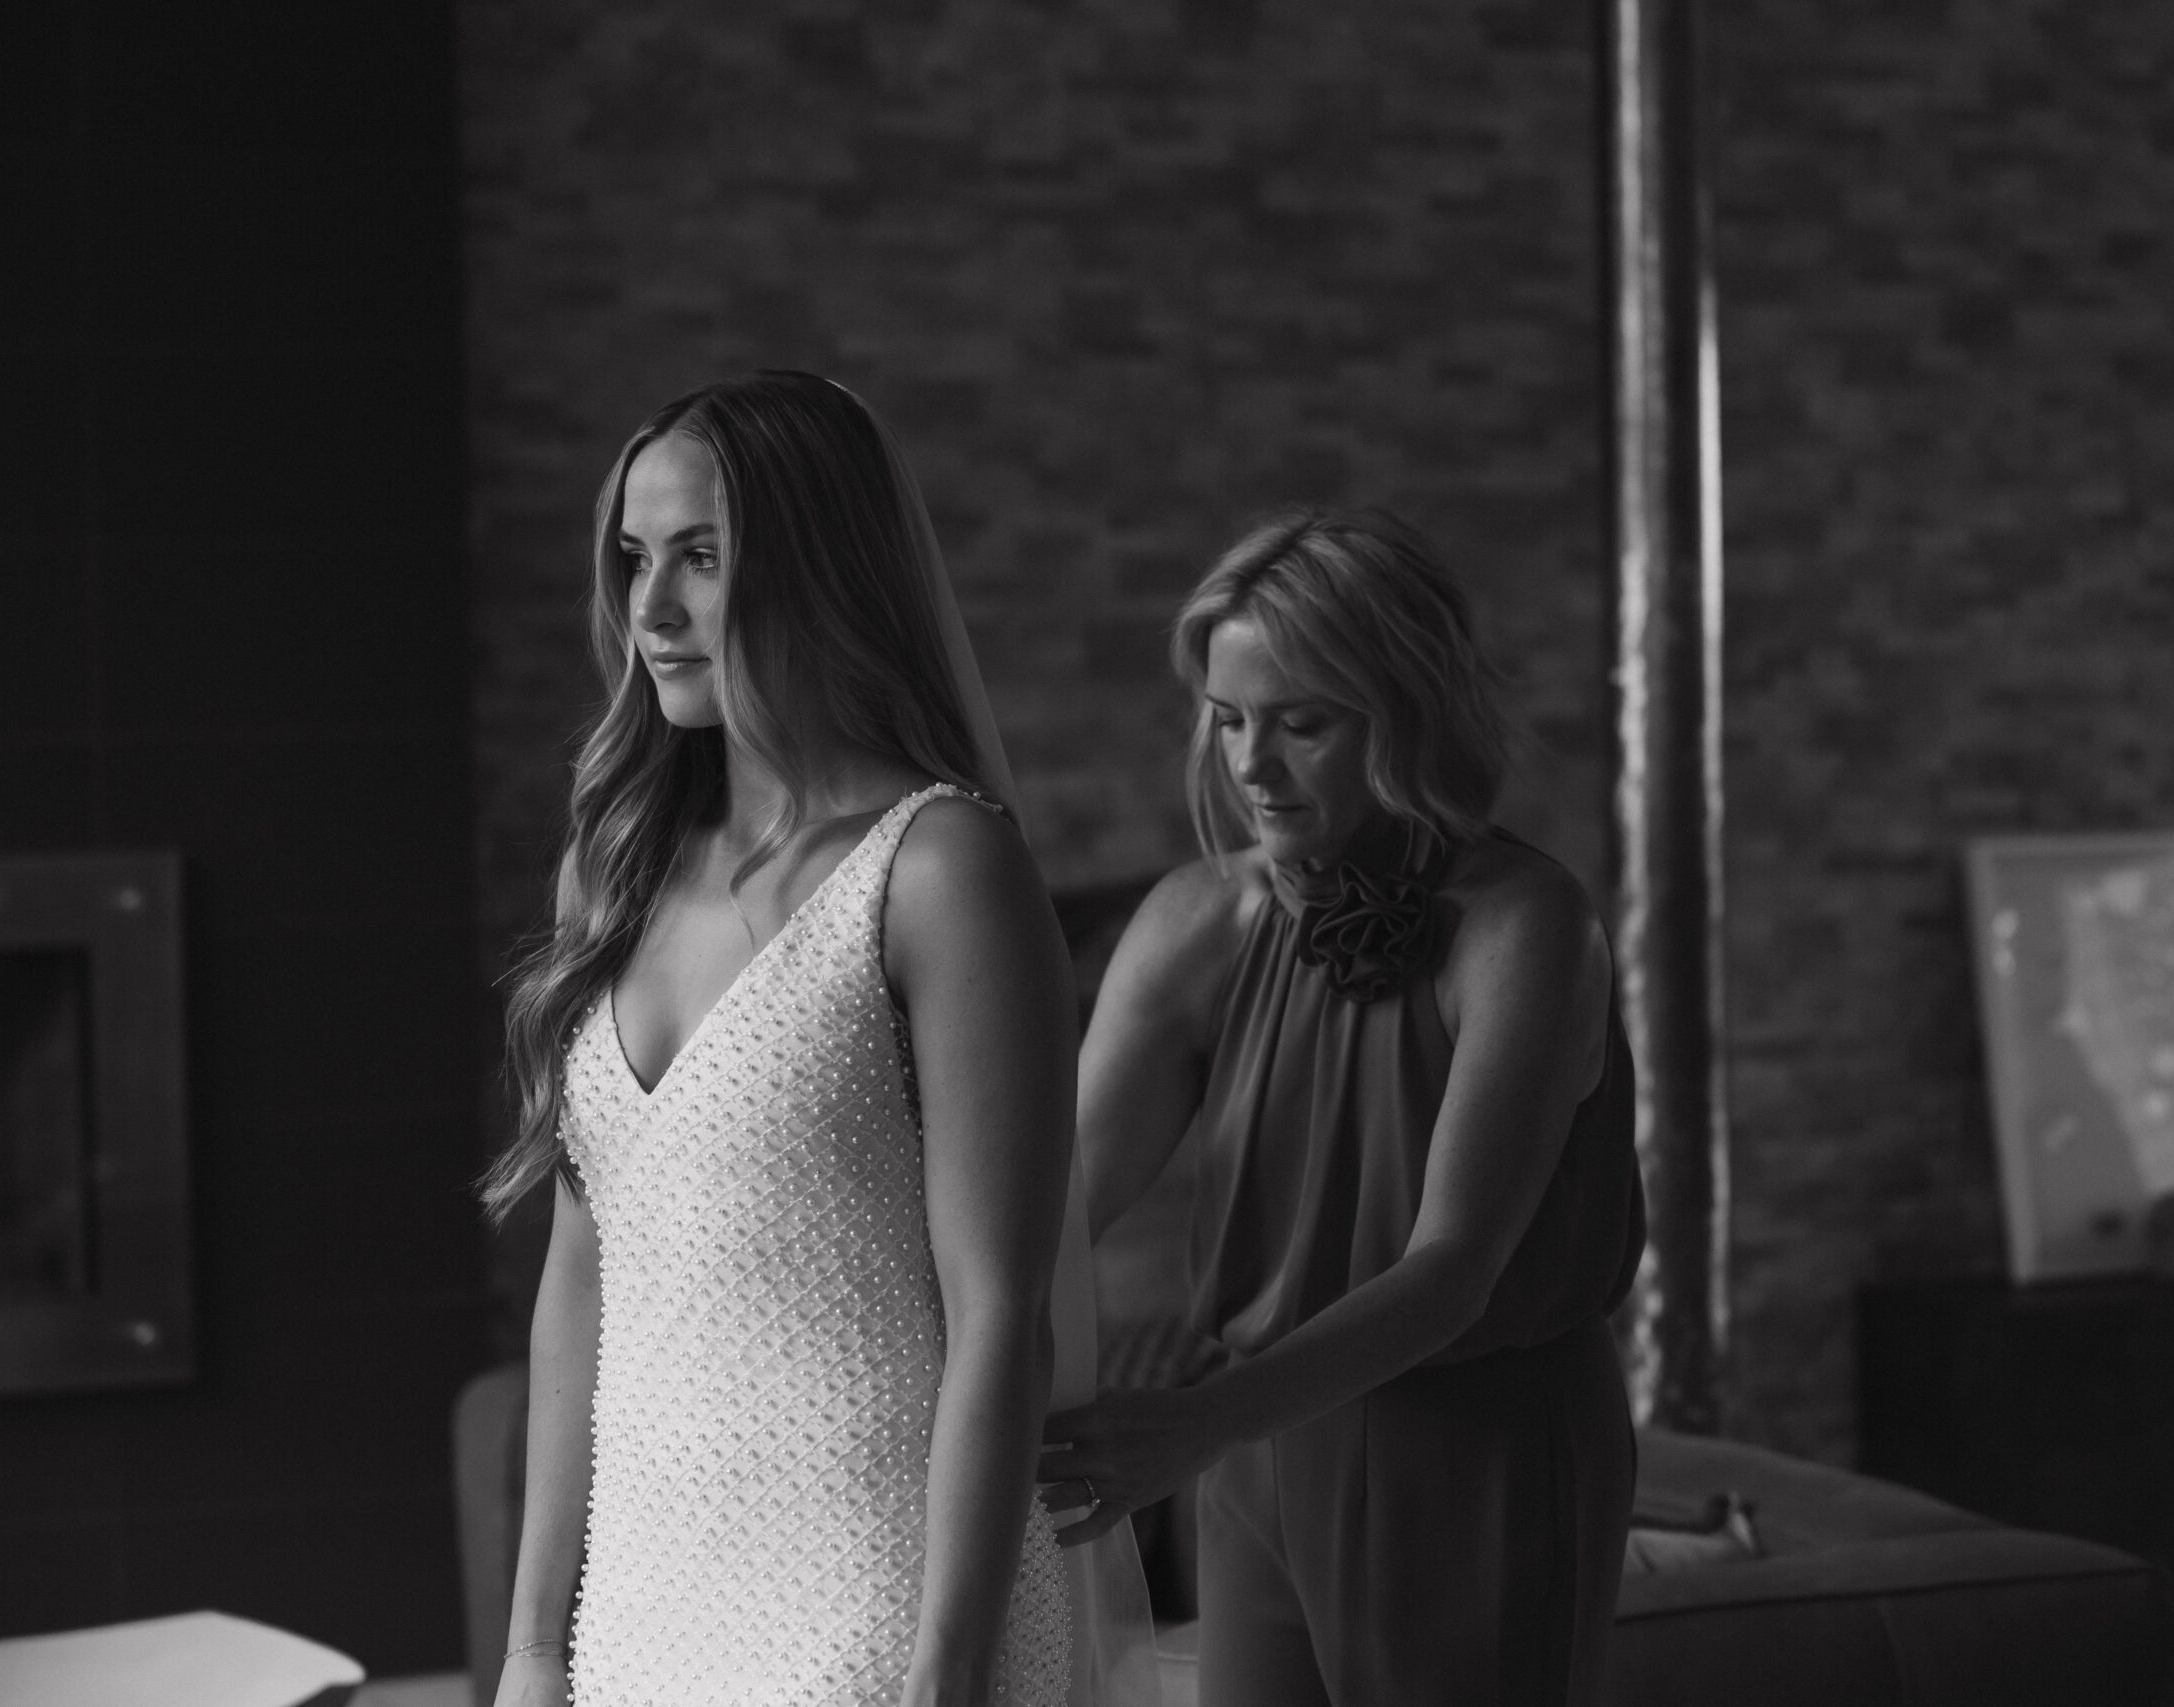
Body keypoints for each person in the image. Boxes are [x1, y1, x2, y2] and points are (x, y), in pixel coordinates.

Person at [479, 372, 1151, 1707]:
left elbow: (1000, 1309)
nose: (651, 611)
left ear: (814, 567)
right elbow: (579, 1282)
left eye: (702, 559)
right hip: (644, 1600)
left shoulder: (941, 868)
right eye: (633, 561)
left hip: (879, 1598)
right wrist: (532, 1643)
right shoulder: (610, 868)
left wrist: (946, 1666)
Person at [1044, 510, 1646, 1705]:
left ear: (1408, 715)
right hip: (1260, 1449)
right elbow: (1047, 1209)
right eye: (1227, 722)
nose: (1251, 766)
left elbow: (1452, 1267)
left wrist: (1192, 1423)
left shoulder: (1524, 928)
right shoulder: (1193, 922)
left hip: (1476, 1443)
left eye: (1301, 725)